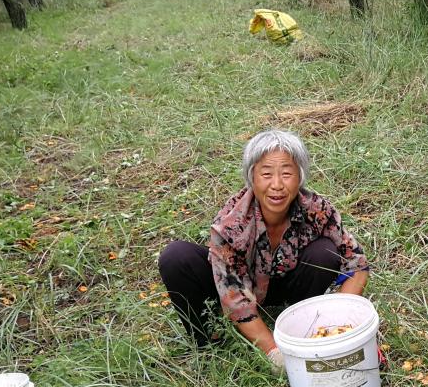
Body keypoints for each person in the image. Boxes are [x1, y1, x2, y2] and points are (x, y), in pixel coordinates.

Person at [158, 129, 369, 368]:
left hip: (286, 282)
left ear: (300, 176)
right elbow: (235, 300)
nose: (277, 185)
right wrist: (274, 352)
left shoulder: (317, 209)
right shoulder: (231, 224)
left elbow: (357, 263)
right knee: (176, 257)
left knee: (324, 252)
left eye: (286, 173)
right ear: (252, 177)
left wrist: (340, 320)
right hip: (241, 286)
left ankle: (305, 324)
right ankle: (210, 344)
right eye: (266, 174)